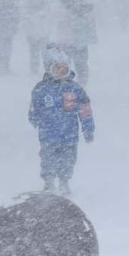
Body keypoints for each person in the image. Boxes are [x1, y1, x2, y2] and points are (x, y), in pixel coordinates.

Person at [28, 45, 95, 196]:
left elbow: (85, 111)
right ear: (49, 69)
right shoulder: (41, 89)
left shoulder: (75, 88)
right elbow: (34, 107)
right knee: (48, 158)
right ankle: (49, 181)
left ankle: (64, 181)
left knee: (68, 158)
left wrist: (88, 128)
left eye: (64, 69)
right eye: (57, 69)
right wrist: (34, 118)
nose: (61, 72)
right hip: (48, 134)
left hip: (69, 134)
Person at [56, 0, 96, 87]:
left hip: (74, 41)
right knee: (74, 67)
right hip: (71, 41)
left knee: (76, 66)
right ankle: (73, 88)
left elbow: (90, 22)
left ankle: (75, 88)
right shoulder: (67, 8)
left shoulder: (81, 8)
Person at [0, 0, 20, 75]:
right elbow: (16, 17)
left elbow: (16, 17)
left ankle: (3, 67)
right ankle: (3, 67)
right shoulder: (10, 4)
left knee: (3, 49)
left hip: (4, 29)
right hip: (5, 29)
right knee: (5, 49)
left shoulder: (1, 4)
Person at [23, 0, 51, 75]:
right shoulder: (30, 14)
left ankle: (48, 70)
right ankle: (34, 71)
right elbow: (26, 26)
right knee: (34, 55)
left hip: (42, 36)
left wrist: (46, 33)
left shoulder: (45, 13)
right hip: (34, 37)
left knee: (45, 55)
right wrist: (28, 35)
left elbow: (49, 24)